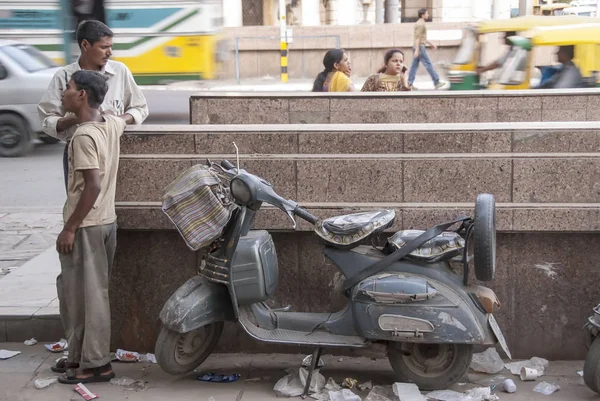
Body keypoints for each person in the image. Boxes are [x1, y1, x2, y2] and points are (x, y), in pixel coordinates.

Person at [52, 70, 124, 384]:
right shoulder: (109, 124)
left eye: (68, 88)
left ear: (81, 95)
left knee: (90, 298)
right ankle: (78, 355)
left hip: (87, 225)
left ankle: (96, 365)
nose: (63, 94)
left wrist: (70, 227)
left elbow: (91, 186)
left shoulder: (83, 136)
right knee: (76, 293)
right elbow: (122, 118)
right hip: (105, 222)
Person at [38, 20, 148, 190]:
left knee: (111, 205)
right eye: (104, 47)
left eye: (110, 47)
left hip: (115, 152)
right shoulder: (64, 77)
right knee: (80, 201)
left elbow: (140, 108)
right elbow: (47, 120)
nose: (109, 52)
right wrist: (76, 119)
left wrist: (115, 121)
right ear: (85, 45)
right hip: (78, 152)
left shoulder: (120, 72)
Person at [408, 8, 445, 90]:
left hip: (418, 46)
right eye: (427, 14)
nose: (428, 15)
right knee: (428, 64)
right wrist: (417, 50)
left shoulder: (420, 23)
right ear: (422, 15)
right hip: (420, 47)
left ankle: (409, 84)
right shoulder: (420, 24)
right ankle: (436, 82)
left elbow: (422, 37)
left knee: (414, 66)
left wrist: (431, 44)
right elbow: (418, 38)